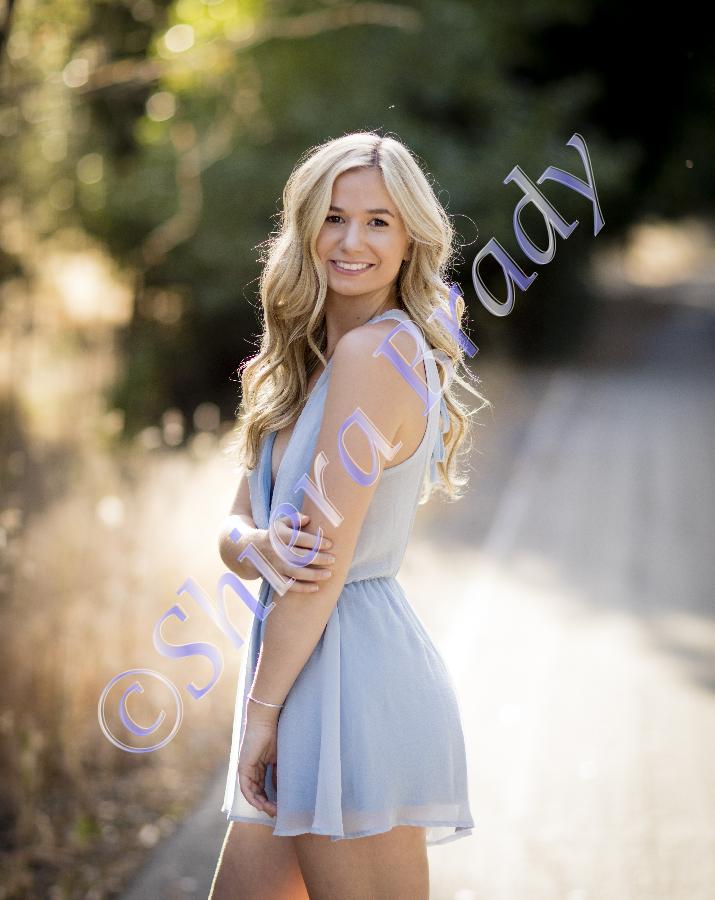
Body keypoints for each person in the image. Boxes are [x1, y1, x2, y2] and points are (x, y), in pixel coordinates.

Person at [210, 131, 491, 899]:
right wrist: (258, 543)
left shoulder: (377, 356)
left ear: (409, 240)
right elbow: (233, 531)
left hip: (350, 683)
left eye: (377, 221)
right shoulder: (296, 364)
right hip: (303, 672)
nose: (351, 241)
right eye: (334, 217)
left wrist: (259, 716)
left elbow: (319, 574)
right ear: (305, 228)